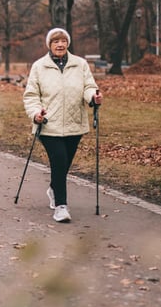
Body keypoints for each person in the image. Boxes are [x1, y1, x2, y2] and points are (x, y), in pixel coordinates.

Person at [23, 27, 103, 223]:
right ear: (49, 45)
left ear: (68, 43)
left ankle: (53, 188)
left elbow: (88, 87)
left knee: (65, 163)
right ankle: (61, 206)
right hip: (48, 124)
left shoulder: (80, 64)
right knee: (58, 160)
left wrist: (93, 97)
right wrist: (36, 114)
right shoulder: (39, 66)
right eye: (55, 41)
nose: (60, 44)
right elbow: (31, 96)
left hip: (74, 123)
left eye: (63, 41)